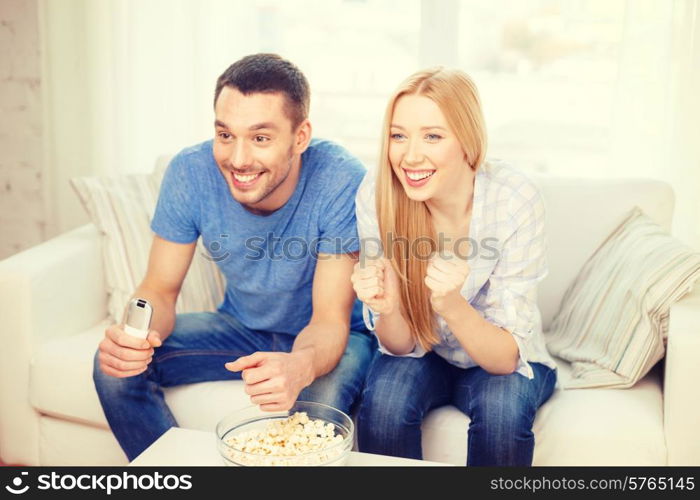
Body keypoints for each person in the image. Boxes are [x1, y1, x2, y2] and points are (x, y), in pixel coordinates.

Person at [93, 53, 374, 461]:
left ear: (300, 137)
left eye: (260, 138)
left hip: (336, 336)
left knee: (318, 404)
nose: (238, 160)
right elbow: (159, 289)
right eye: (225, 135)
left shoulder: (339, 178)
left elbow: (328, 320)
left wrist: (299, 365)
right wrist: (134, 336)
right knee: (113, 370)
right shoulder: (190, 172)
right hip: (241, 326)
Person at [351, 67, 557, 466]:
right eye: (398, 135)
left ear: (467, 141)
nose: (410, 156)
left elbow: (503, 360)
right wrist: (388, 306)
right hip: (423, 352)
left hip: (496, 353)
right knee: (385, 407)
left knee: (502, 413)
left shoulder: (513, 198)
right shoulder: (379, 191)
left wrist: (450, 303)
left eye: (432, 136)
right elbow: (399, 345)